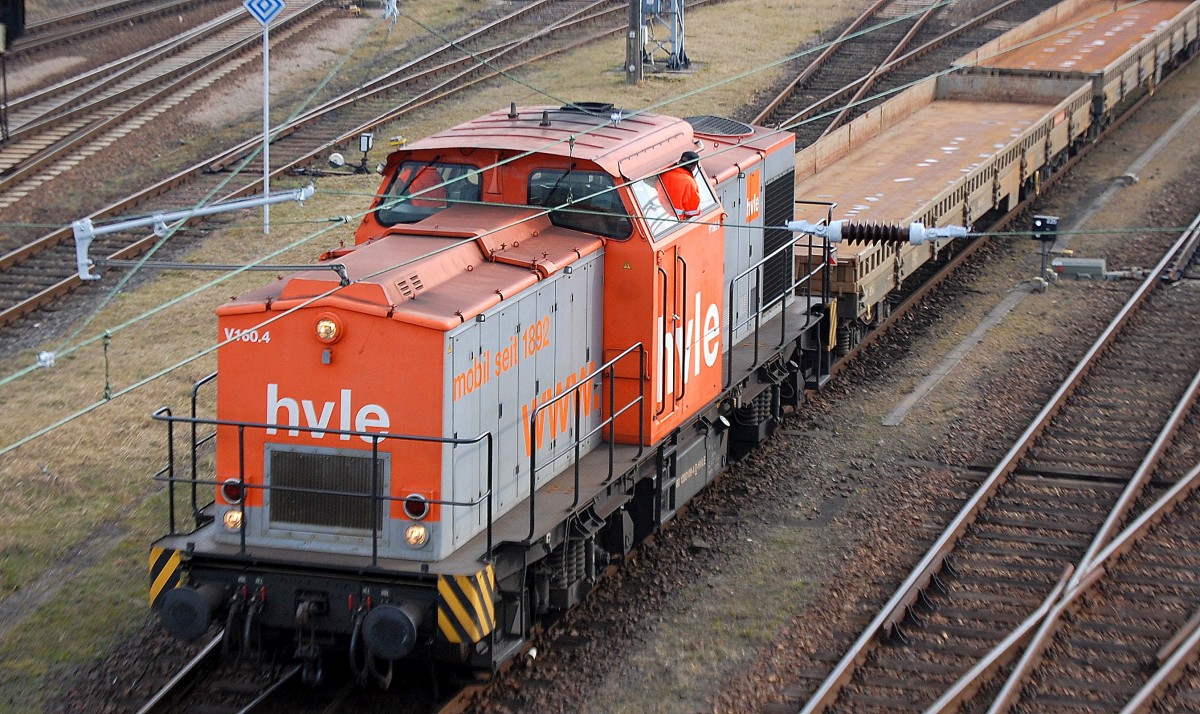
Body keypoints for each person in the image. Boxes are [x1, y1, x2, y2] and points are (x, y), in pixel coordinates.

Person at [661, 151, 701, 219]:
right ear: (694, 167)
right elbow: (693, 212)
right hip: (677, 222)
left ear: (679, 160)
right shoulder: (689, 183)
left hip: (659, 216)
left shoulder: (665, 173)